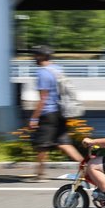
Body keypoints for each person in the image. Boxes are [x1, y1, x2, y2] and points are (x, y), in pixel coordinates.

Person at [28, 46, 82, 181]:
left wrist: (34, 118)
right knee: (63, 143)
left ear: (40, 56)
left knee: (42, 145)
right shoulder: (57, 69)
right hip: (60, 111)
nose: (33, 57)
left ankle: (40, 175)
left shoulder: (42, 73)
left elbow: (43, 99)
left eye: (35, 55)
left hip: (49, 113)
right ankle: (86, 166)